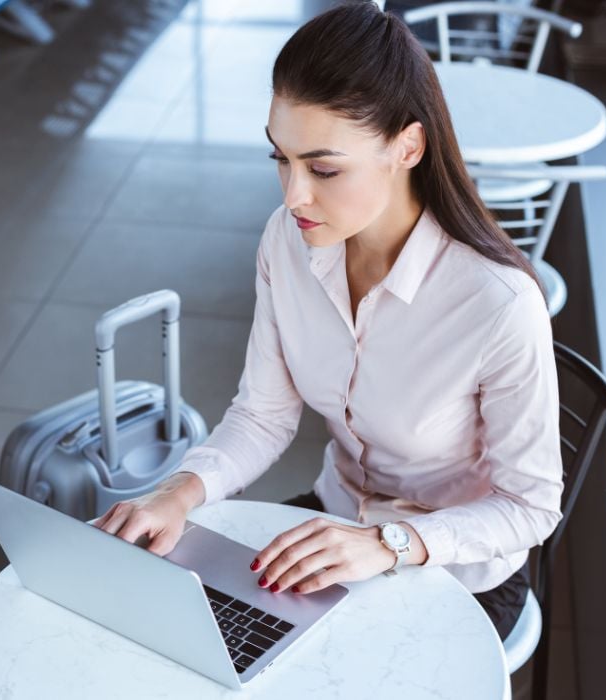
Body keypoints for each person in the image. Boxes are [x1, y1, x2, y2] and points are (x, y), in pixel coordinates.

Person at [94, 1, 562, 641]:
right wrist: (179, 492)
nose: (293, 196)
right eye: (279, 160)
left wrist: (389, 542)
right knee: (180, 636)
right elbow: (263, 415)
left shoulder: (498, 303)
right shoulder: (285, 242)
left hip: (457, 570)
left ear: (408, 146)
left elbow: (530, 508)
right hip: (333, 526)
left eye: (323, 168)